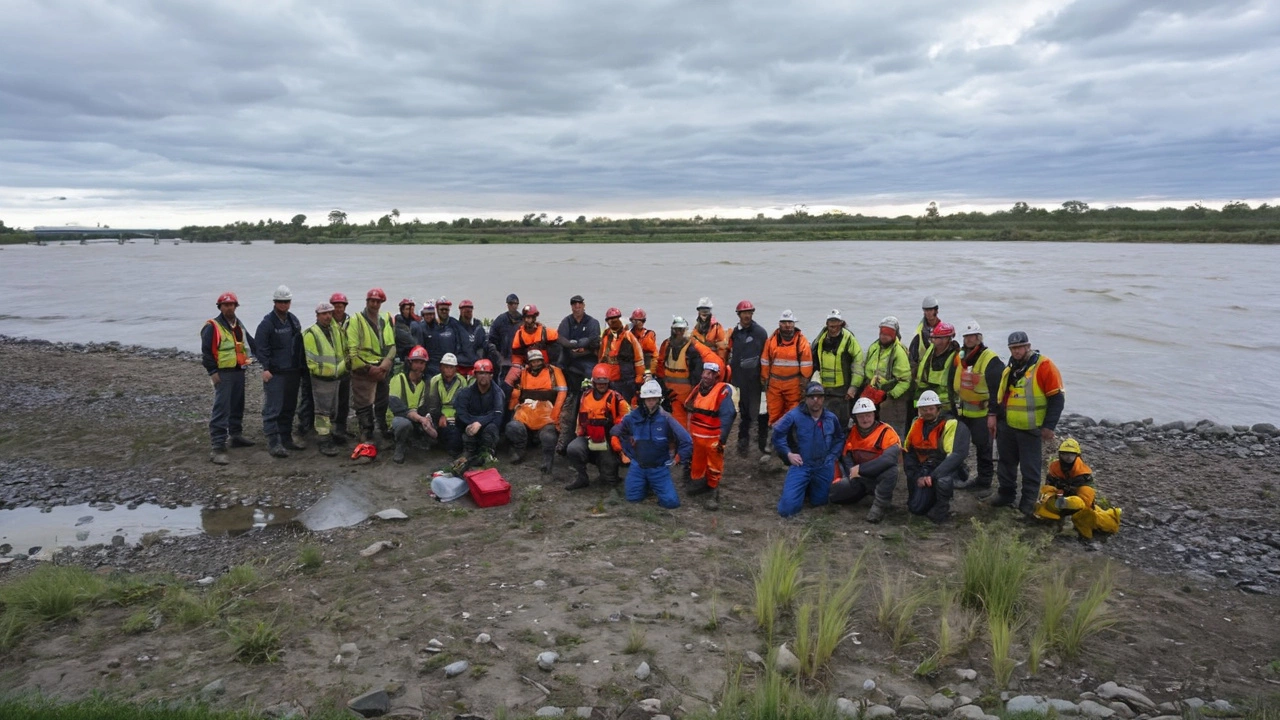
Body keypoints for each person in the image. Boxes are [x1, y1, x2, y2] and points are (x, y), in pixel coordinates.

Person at [988, 331, 1065, 515]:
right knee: (1006, 464)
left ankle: (1028, 501)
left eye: (1019, 347)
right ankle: (1006, 494)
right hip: (1008, 426)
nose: (1016, 351)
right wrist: (995, 417)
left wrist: (1048, 426)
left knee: (1030, 468)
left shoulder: (1044, 365)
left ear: (1028, 346)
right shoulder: (1010, 368)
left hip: (1031, 429)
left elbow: (1057, 398)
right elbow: (1003, 397)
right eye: (1013, 348)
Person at [613, 380, 694, 509]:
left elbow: (687, 441)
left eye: (654, 399)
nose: (651, 402)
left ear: (659, 399)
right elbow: (617, 431)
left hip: (659, 468)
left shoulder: (666, 418)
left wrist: (677, 459)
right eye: (648, 399)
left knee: (671, 503)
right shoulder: (632, 417)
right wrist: (625, 450)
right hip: (638, 466)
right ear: (643, 399)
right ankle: (646, 485)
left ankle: (653, 484)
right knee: (632, 498)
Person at [773, 382, 843, 517]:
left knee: (820, 502)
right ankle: (799, 487)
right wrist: (788, 454)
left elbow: (839, 438)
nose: (816, 401)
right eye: (812, 397)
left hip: (823, 466)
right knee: (787, 510)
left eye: (819, 397)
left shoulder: (831, 418)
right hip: (801, 465)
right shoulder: (793, 416)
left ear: (824, 399)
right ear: (806, 398)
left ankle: (808, 488)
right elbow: (777, 434)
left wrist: (832, 456)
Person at [949, 320, 1005, 491]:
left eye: (972, 336)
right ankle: (958, 476)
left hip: (982, 413)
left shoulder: (990, 359)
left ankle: (984, 481)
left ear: (979, 338)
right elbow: (952, 381)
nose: (968, 340)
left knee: (983, 448)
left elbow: (998, 390)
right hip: (963, 412)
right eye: (966, 337)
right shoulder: (960, 357)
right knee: (957, 446)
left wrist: (993, 414)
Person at [202, 292, 255, 465]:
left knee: (237, 404)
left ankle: (236, 435)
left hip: (239, 370)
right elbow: (207, 352)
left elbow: (250, 343)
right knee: (221, 408)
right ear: (220, 307)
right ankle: (217, 447)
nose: (229, 307)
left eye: (232, 304)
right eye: (226, 305)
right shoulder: (213, 326)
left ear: (236, 306)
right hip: (223, 373)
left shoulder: (238, 324)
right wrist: (212, 372)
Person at [1032, 439, 1122, 539]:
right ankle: (1058, 518)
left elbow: (1085, 500)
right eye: (1065, 454)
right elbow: (1048, 488)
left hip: (1078, 505)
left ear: (1077, 456)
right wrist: (1049, 497)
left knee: (1089, 518)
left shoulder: (1083, 474)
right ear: (1060, 454)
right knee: (1043, 508)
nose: (1068, 457)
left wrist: (1067, 497)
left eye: (1071, 455)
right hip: (1060, 499)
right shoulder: (1055, 468)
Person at [902, 390, 970, 524]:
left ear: (938, 409)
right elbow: (909, 451)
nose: (927, 412)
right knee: (915, 508)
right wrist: (916, 476)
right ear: (919, 410)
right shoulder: (916, 423)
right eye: (923, 409)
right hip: (924, 468)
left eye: (931, 409)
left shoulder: (950, 424)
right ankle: (925, 496)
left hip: (944, 468)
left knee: (943, 480)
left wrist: (932, 476)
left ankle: (942, 507)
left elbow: (956, 455)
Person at [830, 397, 901, 523]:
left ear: (875, 415)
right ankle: (863, 493)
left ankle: (879, 506)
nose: (865, 419)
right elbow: (846, 456)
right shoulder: (851, 433)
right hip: (858, 477)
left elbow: (889, 459)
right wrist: (851, 475)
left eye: (868, 415)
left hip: (876, 475)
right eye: (861, 416)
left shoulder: (886, 432)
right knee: (833, 495)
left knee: (892, 470)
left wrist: (861, 469)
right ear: (855, 418)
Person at [255, 284, 306, 458]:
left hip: (292, 371)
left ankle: (286, 438)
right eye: (281, 302)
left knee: (289, 407)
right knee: (273, 408)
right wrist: (266, 367)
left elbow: (299, 344)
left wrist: (301, 368)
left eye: (286, 301)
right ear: (275, 302)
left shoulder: (293, 320)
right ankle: (273, 442)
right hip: (275, 373)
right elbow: (260, 348)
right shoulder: (267, 323)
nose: (284, 305)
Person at [563, 363, 630, 491]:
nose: (601, 385)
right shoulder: (585, 396)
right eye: (599, 382)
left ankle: (610, 476)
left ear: (608, 382)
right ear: (593, 382)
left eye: (604, 383)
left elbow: (628, 418)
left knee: (609, 477)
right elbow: (581, 417)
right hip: (589, 436)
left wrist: (615, 431)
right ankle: (582, 477)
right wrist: (580, 432)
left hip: (609, 437)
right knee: (573, 448)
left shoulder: (616, 397)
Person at [347, 287, 396, 443]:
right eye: (372, 301)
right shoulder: (356, 320)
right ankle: (366, 433)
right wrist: (368, 368)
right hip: (363, 369)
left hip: (382, 367)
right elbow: (352, 351)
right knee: (363, 404)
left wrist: (386, 363)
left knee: (382, 401)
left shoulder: (385, 319)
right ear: (367, 302)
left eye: (377, 301)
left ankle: (381, 429)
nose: (375, 304)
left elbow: (392, 345)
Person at [505, 348, 567, 473]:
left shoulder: (554, 371)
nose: (536, 364)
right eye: (533, 362)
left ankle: (547, 460)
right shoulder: (523, 373)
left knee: (548, 435)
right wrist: (514, 406)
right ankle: (519, 451)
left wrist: (556, 415)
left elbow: (562, 393)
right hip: (526, 412)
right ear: (529, 362)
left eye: (538, 361)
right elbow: (516, 393)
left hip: (547, 413)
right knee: (513, 427)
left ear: (543, 360)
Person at [684, 362, 736, 510]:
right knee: (697, 464)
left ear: (716, 376)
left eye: (709, 374)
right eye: (704, 373)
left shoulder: (722, 391)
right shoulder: (698, 389)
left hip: (713, 437)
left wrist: (722, 438)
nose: (705, 376)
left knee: (714, 466)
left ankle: (714, 490)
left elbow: (729, 414)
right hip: (697, 436)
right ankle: (700, 483)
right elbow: (688, 406)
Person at [303, 301, 348, 457]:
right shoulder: (311, 333)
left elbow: (341, 350)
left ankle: (331, 434)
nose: (327, 316)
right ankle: (323, 440)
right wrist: (321, 371)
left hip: (336, 377)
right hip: (321, 378)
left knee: (333, 409)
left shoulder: (335, 330)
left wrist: (342, 368)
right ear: (317, 316)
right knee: (322, 411)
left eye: (329, 313)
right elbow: (310, 358)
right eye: (324, 314)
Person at [728, 300, 768, 455]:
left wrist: (764, 379)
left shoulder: (760, 332)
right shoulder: (735, 333)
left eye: (749, 312)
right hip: (740, 380)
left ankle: (761, 444)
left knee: (759, 413)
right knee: (744, 414)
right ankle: (742, 444)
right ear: (739, 314)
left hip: (757, 381)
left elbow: (766, 357)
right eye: (744, 313)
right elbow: (732, 354)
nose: (747, 315)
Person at [655, 316, 711, 428]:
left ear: (685, 330)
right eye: (677, 330)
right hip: (669, 393)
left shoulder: (691, 349)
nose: (679, 333)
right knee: (668, 422)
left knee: (684, 424)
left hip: (686, 394)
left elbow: (697, 374)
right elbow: (660, 366)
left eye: (681, 330)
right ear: (673, 330)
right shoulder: (666, 345)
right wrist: (662, 388)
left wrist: (694, 395)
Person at [813, 309, 865, 430]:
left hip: (843, 391)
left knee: (842, 422)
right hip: (825, 389)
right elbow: (814, 362)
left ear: (841, 323)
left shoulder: (849, 339)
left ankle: (842, 446)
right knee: (824, 421)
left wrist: (853, 387)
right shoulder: (820, 339)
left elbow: (858, 364)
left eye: (836, 322)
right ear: (827, 324)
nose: (833, 326)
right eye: (831, 322)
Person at [761, 309, 813, 427]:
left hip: (793, 383)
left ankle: (790, 439)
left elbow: (806, 365)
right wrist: (765, 380)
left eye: (790, 322)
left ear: (794, 324)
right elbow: (765, 362)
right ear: (779, 324)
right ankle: (774, 438)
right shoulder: (771, 341)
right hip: (774, 383)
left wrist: (804, 384)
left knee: (793, 412)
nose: (787, 325)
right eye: (784, 322)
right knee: (774, 412)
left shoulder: (801, 341)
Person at [860, 316, 912, 434]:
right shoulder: (874, 347)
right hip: (872, 393)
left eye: (888, 334)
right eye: (882, 333)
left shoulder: (898, 352)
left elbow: (905, 380)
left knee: (889, 430)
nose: (884, 336)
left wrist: (890, 396)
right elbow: (865, 368)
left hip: (890, 397)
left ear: (894, 335)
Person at [452, 358, 504, 471]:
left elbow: (498, 415)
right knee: (455, 441)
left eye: (486, 373)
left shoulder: (498, 393)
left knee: (492, 427)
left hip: (487, 428)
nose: (483, 376)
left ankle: (488, 453)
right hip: (470, 427)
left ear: (491, 375)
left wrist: (480, 422)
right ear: (475, 375)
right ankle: (468, 452)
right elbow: (461, 413)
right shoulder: (465, 392)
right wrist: (472, 423)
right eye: (480, 373)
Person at [388, 346, 435, 464]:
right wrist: (419, 418)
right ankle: (400, 447)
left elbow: (423, 406)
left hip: (414, 419)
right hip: (397, 418)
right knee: (404, 424)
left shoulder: (423, 384)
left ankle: (415, 439)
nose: (419, 366)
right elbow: (395, 405)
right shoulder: (398, 379)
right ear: (410, 363)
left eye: (422, 363)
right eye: (416, 362)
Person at [426, 352, 472, 457]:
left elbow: (464, 404)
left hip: (456, 416)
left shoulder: (462, 381)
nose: (448, 370)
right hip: (439, 415)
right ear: (441, 367)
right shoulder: (435, 381)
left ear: (456, 368)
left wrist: (457, 417)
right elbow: (432, 404)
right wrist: (440, 416)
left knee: (455, 435)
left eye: (451, 367)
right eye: (446, 367)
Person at [557, 294, 600, 399]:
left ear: (584, 305)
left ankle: (589, 397)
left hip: (588, 357)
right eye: (574, 304)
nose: (577, 306)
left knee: (590, 371)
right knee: (558, 367)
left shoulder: (593, 322)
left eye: (579, 303)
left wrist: (584, 347)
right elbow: (561, 338)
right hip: (570, 357)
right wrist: (575, 345)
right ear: (571, 307)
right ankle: (563, 396)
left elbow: (594, 341)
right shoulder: (566, 321)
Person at [599, 307, 645, 401]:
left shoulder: (628, 336)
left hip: (625, 379)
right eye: (610, 320)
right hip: (608, 378)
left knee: (624, 406)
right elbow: (601, 356)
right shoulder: (606, 335)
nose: (612, 322)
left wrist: (639, 378)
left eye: (615, 319)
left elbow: (639, 359)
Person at [914, 321, 959, 411]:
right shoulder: (931, 349)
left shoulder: (956, 356)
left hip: (946, 404)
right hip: (926, 398)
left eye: (935, 338)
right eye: (932, 338)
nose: (932, 340)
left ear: (946, 339)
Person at [328, 292, 353, 443]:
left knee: (344, 400)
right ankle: (329, 431)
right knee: (330, 402)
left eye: (341, 306)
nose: (338, 309)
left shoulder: (351, 322)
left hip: (346, 367)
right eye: (336, 306)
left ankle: (342, 428)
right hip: (330, 369)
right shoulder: (326, 322)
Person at [489, 293, 523, 377]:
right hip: (503, 360)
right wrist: (499, 357)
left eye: (516, 304)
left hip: (519, 360)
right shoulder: (500, 320)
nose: (514, 306)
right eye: (511, 303)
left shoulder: (523, 320)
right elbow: (491, 339)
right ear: (507, 305)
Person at [454, 299, 490, 377]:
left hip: (475, 367)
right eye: (465, 310)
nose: (468, 312)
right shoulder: (455, 327)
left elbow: (482, 346)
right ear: (460, 311)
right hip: (460, 367)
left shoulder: (478, 327)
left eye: (470, 310)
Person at [423, 300, 458, 380]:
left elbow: (459, 344)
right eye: (442, 309)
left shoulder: (454, 324)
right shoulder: (428, 325)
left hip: (449, 369)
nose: (444, 311)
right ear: (437, 309)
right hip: (432, 370)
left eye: (446, 309)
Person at [908, 296, 943, 375]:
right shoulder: (919, 332)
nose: (928, 313)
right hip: (922, 370)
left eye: (930, 310)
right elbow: (912, 356)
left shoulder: (943, 329)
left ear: (936, 311)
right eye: (926, 310)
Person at [691, 297, 730, 365]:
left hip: (713, 360)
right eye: (701, 309)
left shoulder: (717, 327)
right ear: (699, 312)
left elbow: (722, 347)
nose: (704, 312)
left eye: (706, 310)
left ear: (710, 311)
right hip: (700, 359)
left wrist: (720, 362)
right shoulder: (696, 328)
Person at [628, 308, 658, 373]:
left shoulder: (649, 334)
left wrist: (648, 372)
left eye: (641, 321)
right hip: (633, 368)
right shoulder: (628, 334)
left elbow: (649, 355)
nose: (639, 323)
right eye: (636, 321)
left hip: (647, 368)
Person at [393, 297, 419, 365]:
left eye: (410, 309)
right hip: (403, 357)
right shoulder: (399, 323)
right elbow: (411, 342)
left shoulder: (415, 321)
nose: (409, 311)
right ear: (402, 310)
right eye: (407, 309)